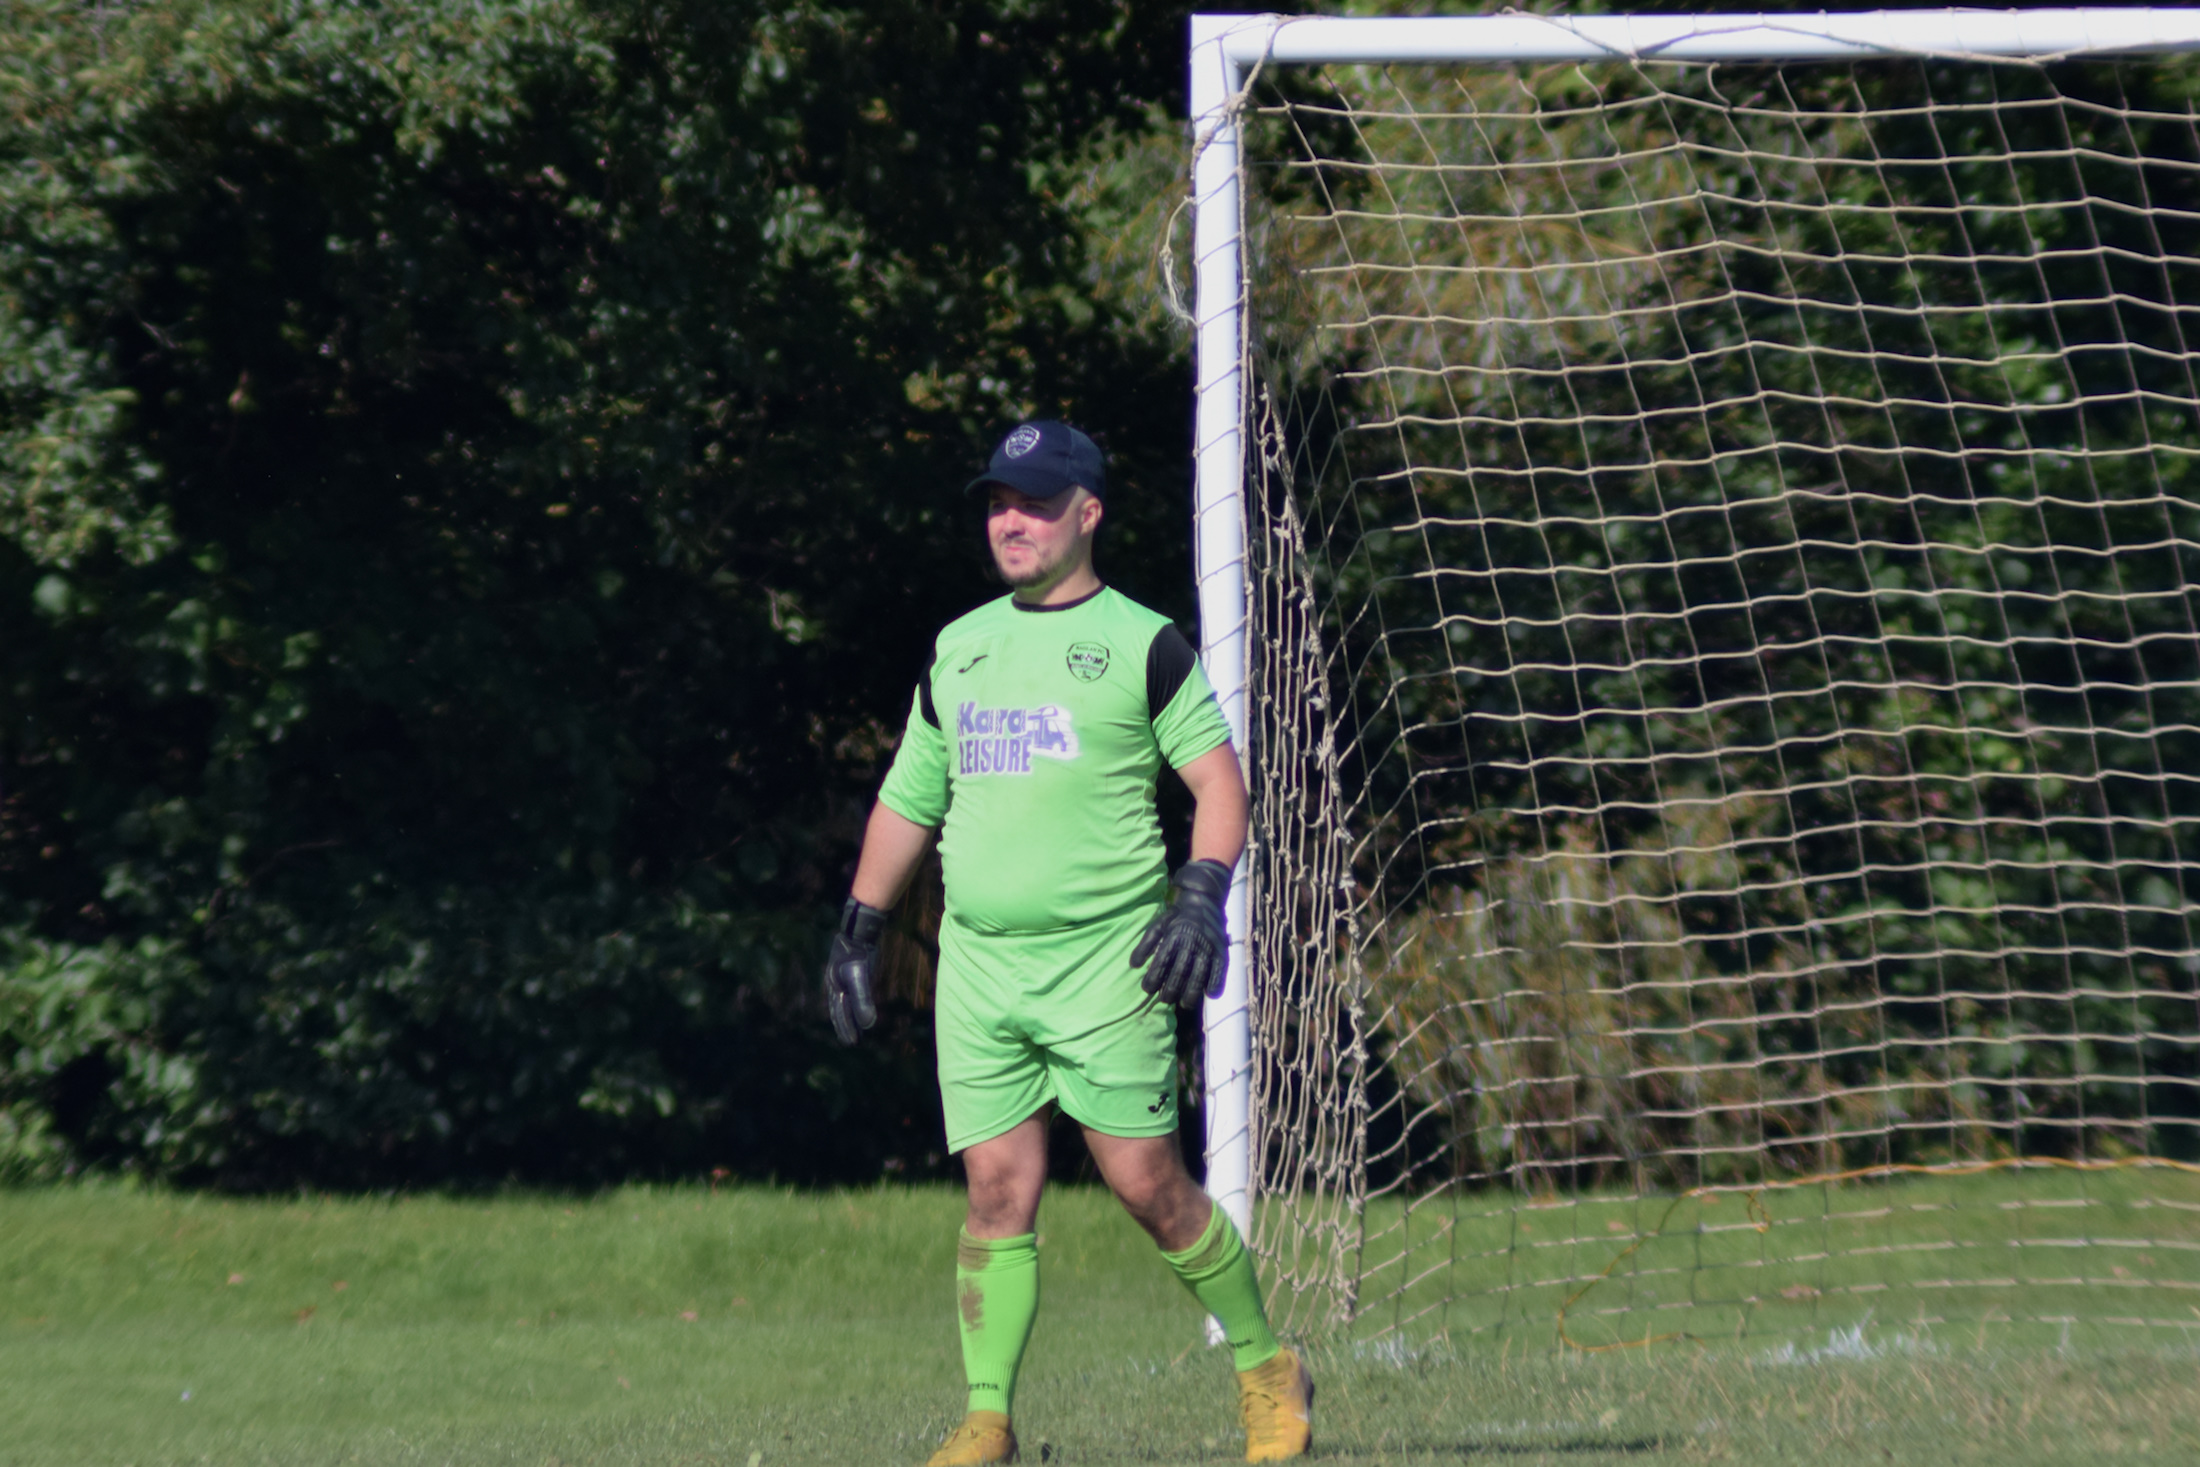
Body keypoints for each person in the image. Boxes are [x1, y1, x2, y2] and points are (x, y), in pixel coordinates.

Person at [823, 421, 1312, 1465]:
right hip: (981, 968)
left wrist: (1200, 894)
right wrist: (860, 923)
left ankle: (1268, 1368)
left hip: (1107, 968)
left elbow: (1219, 784)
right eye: (999, 502)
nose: (1012, 521)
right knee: (996, 1194)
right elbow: (909, 799)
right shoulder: (959, 646)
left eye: (1037, 504)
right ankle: (987, 1419)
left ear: (1087, 514)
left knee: (1148, 1188)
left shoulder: (1144, 643)